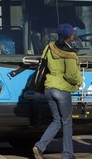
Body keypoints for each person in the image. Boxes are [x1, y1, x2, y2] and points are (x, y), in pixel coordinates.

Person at [33, 23, 83, 159]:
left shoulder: (49, 47)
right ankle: (67, 155)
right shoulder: (70, 54)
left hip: (49, 88)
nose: (74, 34)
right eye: (73, 33)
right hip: (62, 90)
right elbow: (71, 75)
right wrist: (79, 81)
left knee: (56, 120)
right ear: (70, 37)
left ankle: (39, 146)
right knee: (67, 123)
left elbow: (43, 63)